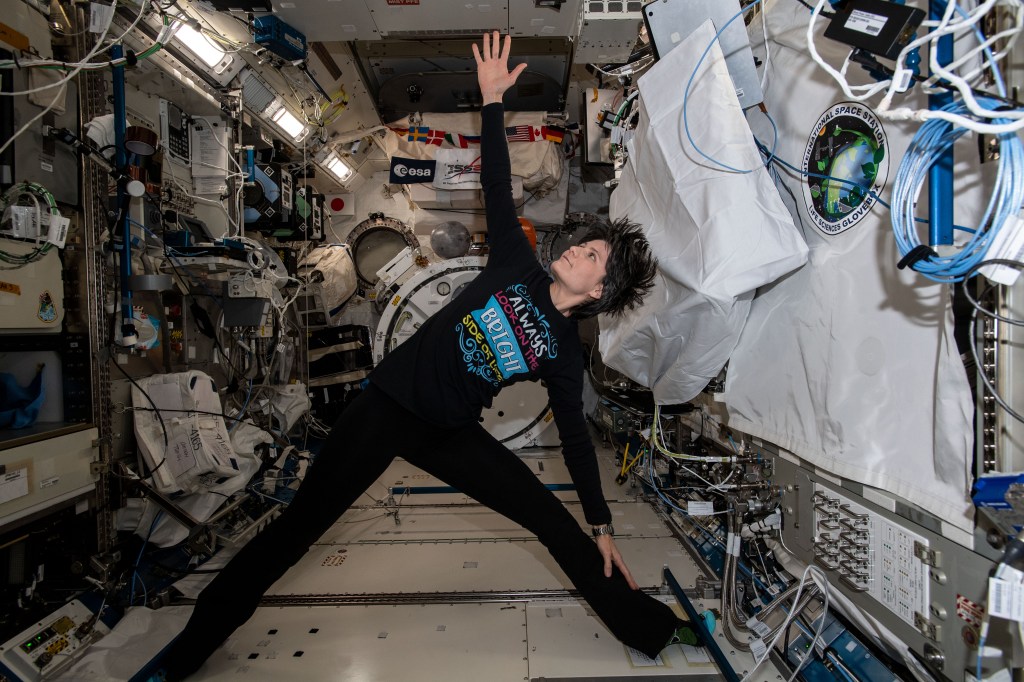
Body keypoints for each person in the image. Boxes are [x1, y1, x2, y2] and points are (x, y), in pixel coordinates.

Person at [158, 31, 692, 680]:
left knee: (554, 523)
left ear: (598, 292)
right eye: (588, 244)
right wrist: (492, 104)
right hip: (386, 406)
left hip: (449, 431)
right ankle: (193, 646)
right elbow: (499, 183)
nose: (580, 248)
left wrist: (602, 521)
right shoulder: (517, 264)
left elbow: (576, 440)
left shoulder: (560, 351)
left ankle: (652, 628)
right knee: (297, 529)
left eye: (594, 257)